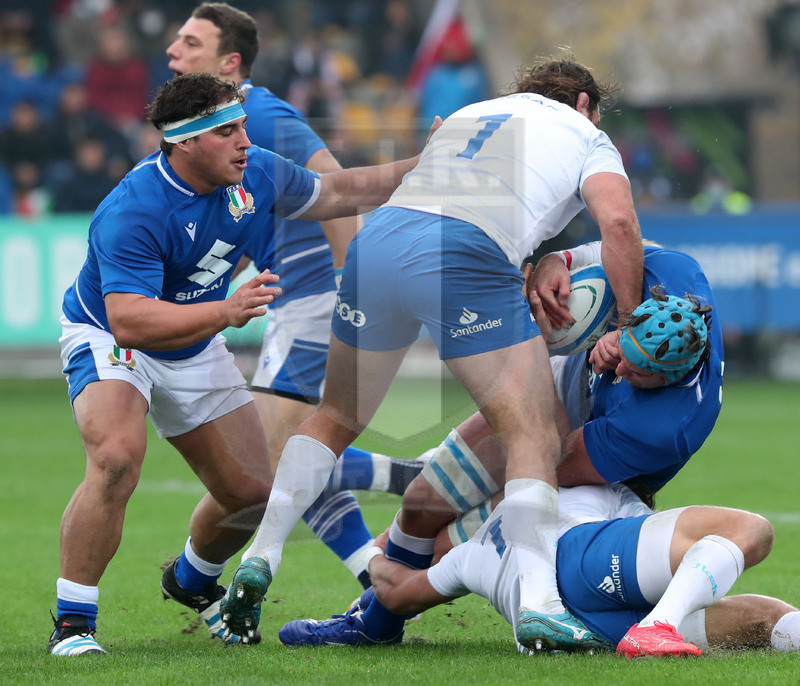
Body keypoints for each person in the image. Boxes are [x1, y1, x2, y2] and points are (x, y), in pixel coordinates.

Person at [220, 54, 644, 652]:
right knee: (531, 432)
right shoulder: (586, 133)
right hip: (462, 249)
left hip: (380, 239)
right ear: (583, 103)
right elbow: (618, 224)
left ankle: (261, 556)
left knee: (334, 416)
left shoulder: (473, 112)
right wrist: (627, 322)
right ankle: (541, 605)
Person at [48, 72, 432, 657]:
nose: (245, 141)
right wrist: (226, 311)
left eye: (243, 126)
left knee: (253, 495)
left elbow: (336, 192)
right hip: (113, 338)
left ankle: (192, 579)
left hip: (195, 340)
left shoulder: (255, 172)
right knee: (116, 459)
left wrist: (423, 165)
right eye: (226, 131)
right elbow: (129, 321)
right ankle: (74, 624)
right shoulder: (134, 207)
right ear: (184, 142)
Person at [301, 242, 722, 649]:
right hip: (563, 380)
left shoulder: (660, 428)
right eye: (624, 347)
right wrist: (562, 258)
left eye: (637, 372)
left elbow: (550, 463)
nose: (620, 368)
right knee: (421, 502)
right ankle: (376, 611)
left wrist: (535, 342)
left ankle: (373, 623)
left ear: (666, 380)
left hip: (592, 469)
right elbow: (618, 242)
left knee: (447, 546)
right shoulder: (677, 273)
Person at [165, 1, 378, 593]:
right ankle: (375, 576)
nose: (173, 52)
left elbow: (336, 190)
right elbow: (243, 232)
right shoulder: (215, 138)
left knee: (266, 457)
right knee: (289, 453)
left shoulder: (257, 111)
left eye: (191, 43)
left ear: (230, 63)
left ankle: (192, 576)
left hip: (315, 296)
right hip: (296, 298)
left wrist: (348, 291)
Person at [279, 483, 797, 659]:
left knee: (764, 622)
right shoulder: (568, 484)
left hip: (592, 627)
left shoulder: (468, 556)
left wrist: (368, 560)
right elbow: (652, 528)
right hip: (583, 561)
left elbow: (396, 595)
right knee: (748, 530)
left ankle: (653, 625)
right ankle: (659, 625)